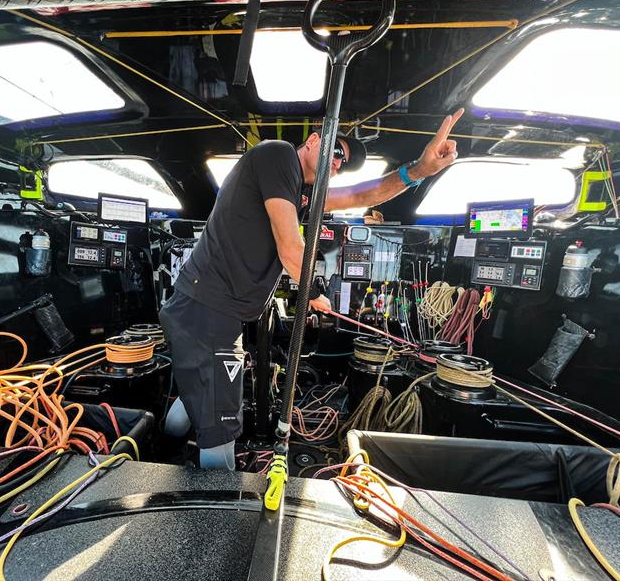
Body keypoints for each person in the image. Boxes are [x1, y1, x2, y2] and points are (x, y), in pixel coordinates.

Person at [159, 109, 464, 469]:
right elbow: (291, 248)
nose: (337, 163)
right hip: (205, 310)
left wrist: (417, 172)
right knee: (220, 425)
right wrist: (317, 292)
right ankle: (221, 509)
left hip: (211, 312)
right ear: (314, 139)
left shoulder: (301, 190)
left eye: (343, 163)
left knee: (196, 394)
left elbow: (363, 194)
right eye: (335, 151)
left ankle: (158, 460)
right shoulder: (277, 155)